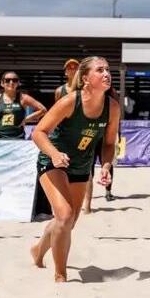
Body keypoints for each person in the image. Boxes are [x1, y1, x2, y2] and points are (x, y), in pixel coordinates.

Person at [29, 56, 120, 283]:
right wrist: (55, 154)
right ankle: (61, 276)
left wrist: (106, 165)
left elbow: (109, 144)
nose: (106, 73)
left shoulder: (113, 107)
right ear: (86, 79)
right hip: (53, 162)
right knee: (65, 215)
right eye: (100, 70)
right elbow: (38, 132)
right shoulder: (70, 101)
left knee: (68, 221)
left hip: (81, 165)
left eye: (108, 69)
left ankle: (38, 250)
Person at [0, 72, 46, 139]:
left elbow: (43, 110)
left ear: (18, 83)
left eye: (14, 80)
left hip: (18, 137)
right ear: (2, 83)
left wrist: (26, 120)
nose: (11, 82)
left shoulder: (24, 98)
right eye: (7, 80)